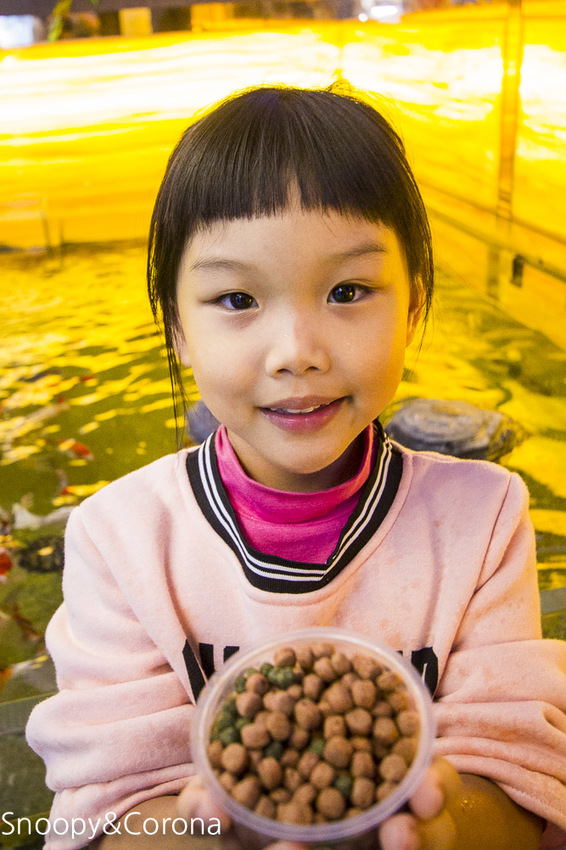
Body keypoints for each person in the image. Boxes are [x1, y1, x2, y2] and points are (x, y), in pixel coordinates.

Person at [26, 84, 566, 850]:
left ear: (413, 306)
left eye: (348, 290)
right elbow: (103, 809)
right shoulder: (120, 538)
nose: (297, 352)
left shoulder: (483, 517)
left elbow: (522, 779)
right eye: (237, 297)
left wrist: (447, 822)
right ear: (178, 328)